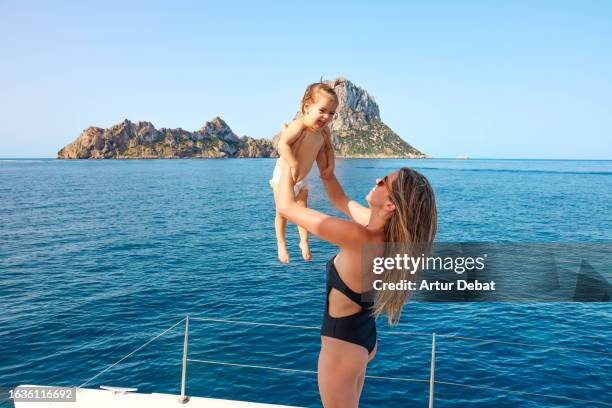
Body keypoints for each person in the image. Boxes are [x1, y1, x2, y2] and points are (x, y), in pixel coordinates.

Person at [275, 158, 437, 407]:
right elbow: (341, 200)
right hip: (363, 339)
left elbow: (285, 207)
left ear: (391, 204)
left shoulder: (359, 237)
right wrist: (325, 169)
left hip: (342, 350)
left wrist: (288, 158)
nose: (377, 181)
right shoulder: (388, 238)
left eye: (384, 182)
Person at [270, 81, 337, 263]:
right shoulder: (299, 126)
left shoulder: (324, 133)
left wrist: (330, 167)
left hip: (302, 178)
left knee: (302, 210)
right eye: (322, 111)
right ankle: (281, 244)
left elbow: (328, 150)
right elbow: (282, 144)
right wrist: (293, 164)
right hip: (284, 175)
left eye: (331, 113)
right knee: (282, 212)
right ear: (307, 107)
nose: (326, 117)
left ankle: (303, 242)